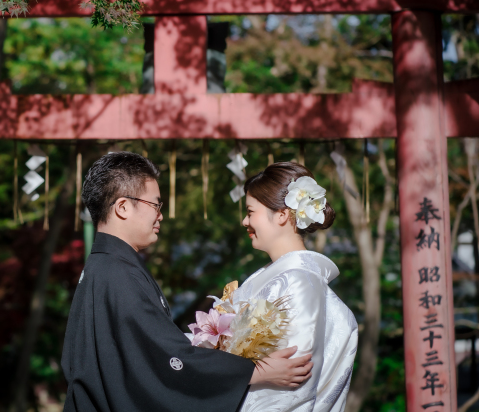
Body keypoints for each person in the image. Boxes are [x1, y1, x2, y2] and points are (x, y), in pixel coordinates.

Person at [61, 152, 314, 412]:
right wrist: (255, 371)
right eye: (155, 205)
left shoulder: (104, 267)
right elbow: (165, 359)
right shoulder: (117, 274)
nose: (160, 215)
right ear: (123, 207)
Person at [235, 162, 358, 412]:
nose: (244, 221)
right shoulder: (283, 277)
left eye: (250, 212)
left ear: (282, 214)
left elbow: (290, 390)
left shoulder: (299, 283)